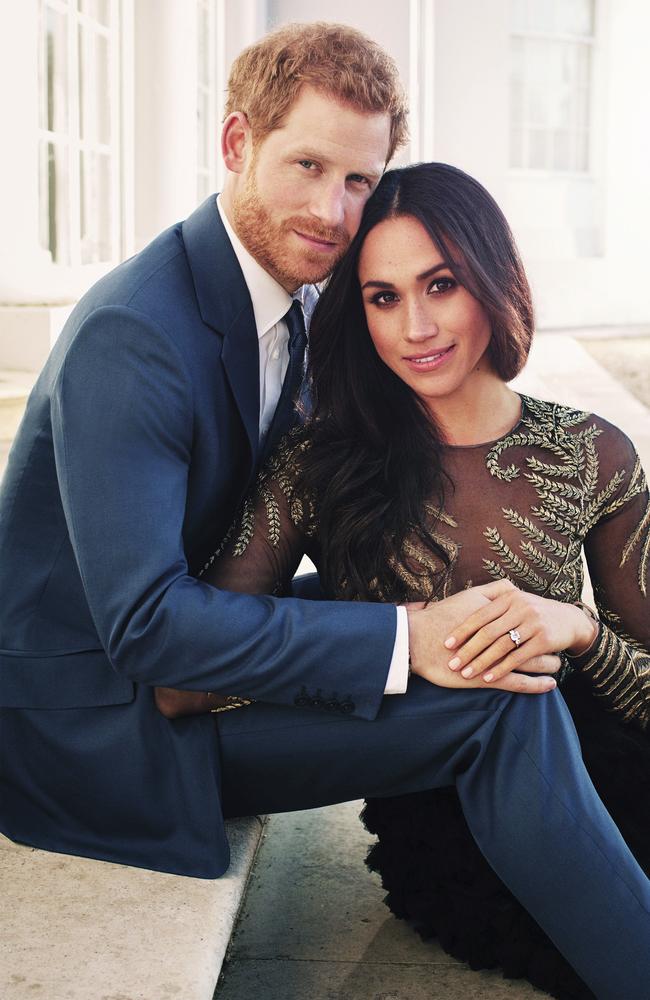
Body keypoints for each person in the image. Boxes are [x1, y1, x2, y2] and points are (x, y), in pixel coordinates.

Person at [0, 20, 647, 997]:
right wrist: (401, 632)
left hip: (186, 655)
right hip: (103, 726)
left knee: (496, 660)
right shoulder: (137, 335)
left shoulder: (296, 295)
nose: (332, 209)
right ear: (234, 145)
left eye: (356, 179)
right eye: (306, 164)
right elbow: (144, 630)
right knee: (495, 701)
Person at [197, 162, 650, 999]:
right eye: (382, 296)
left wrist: (577, 629)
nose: (416, 326)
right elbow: (202, 651)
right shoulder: (318, 466)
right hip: (444, 818)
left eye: (440, 284)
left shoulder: (592, 453)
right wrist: (382, 651)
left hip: (611, 775)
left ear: (490, 278)